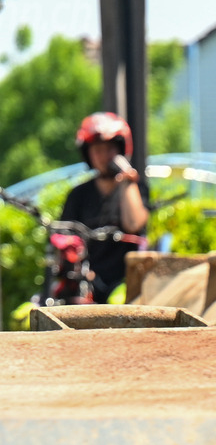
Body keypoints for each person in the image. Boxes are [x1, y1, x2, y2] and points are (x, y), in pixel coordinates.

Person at [60, 111, 150, 303]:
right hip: (87, 282)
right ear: (88, 154)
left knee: (117, 304)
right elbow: (63, 240)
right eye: (97, 150)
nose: (103, 156)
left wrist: (127, 180)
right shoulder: (78, 195)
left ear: (120, 150)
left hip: (126, 283)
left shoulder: (135, 189)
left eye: (110, 149)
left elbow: (134, 223)